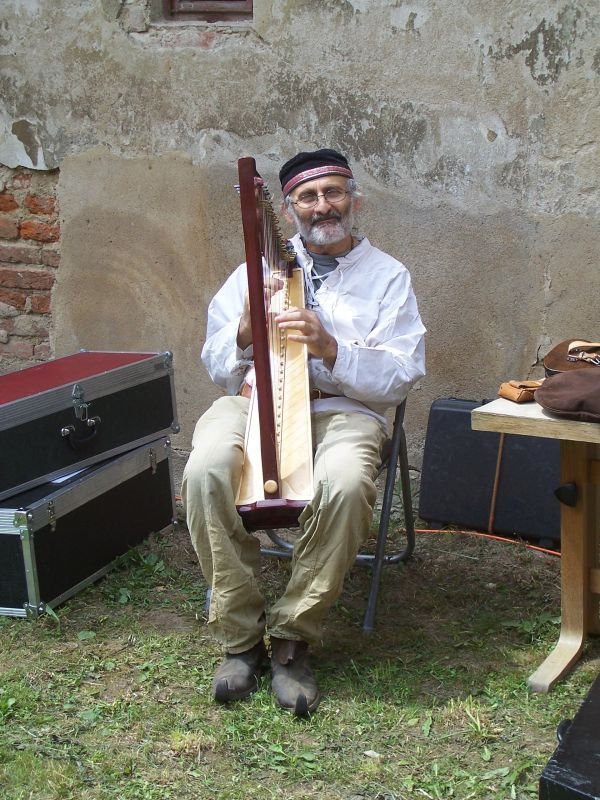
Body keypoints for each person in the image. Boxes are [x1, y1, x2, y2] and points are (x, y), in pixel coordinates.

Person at [182, 148, 426, 716]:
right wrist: (243, 333)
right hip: (252, 399)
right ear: (288, 210)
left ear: (354, 199)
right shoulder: (252, 270)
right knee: (204, 470)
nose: (323, 207)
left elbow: (402, 373)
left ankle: (293, 638)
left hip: (347, 409)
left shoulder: (388, 278)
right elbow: (216, 362)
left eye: (333, 193)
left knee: (341, 483)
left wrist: (331, 347)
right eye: (308, 198)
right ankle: (240, 638)